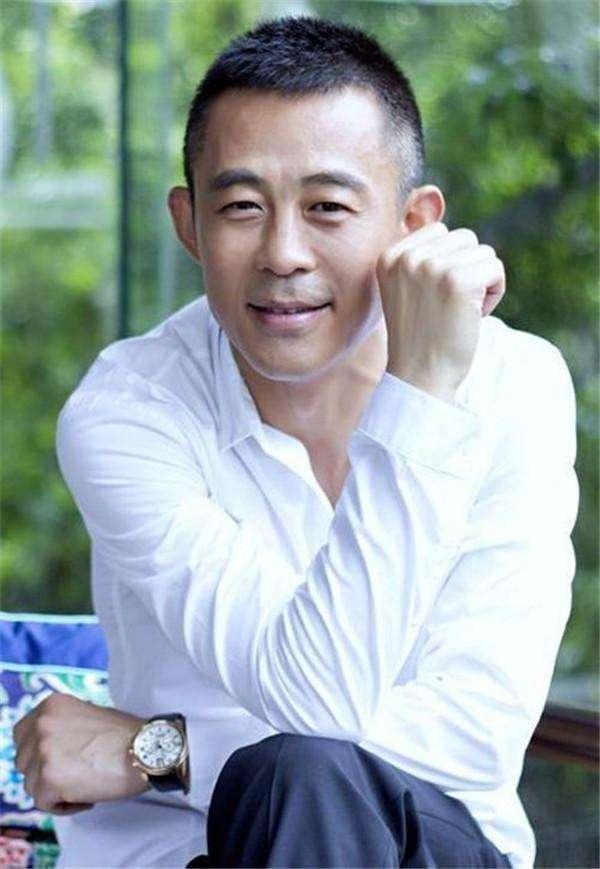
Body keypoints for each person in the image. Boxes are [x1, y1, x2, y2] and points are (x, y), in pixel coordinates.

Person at [13, 14, 578, 869]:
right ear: (189, 226)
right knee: (300, 774)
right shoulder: (129, 412)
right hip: (194, 852)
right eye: (242, 207)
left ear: (414, 224)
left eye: (327, 208)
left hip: (434, 846)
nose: (283, 253)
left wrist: (157, 749)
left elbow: (473, 741)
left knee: (305, 771)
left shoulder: (515, 386)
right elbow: (318, 710)